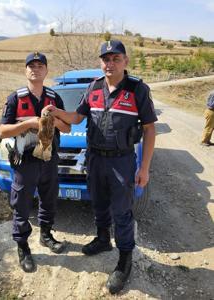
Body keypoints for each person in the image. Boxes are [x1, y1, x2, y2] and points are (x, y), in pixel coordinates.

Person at [44, 40, 157, 294]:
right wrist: (57, 112)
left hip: (121, 160)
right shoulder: (93, 87)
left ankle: (124, 259)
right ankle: (103, 239)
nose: (110, 63)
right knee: (99, 202)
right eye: (106, 59)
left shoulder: (137, 89)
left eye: (116, 58)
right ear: (101, 62)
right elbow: (77, 118)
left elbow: (150, 130)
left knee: (122, 210)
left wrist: (145, 168)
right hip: (95, 158)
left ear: (125, 61)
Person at [0, 52, 70, 273]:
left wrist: (54, 120)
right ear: (25, 70)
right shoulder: (15, 98)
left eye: (40, 66)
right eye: (31, 66)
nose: (35, 69)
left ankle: (46, 235)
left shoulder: (53, 97)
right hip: (25, 160)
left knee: (49, 198)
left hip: (49, 157)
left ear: (46, 71)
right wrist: (29, 122)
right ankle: (22, 247)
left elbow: (67, 128)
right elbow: (2, 131)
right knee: (22, 203)